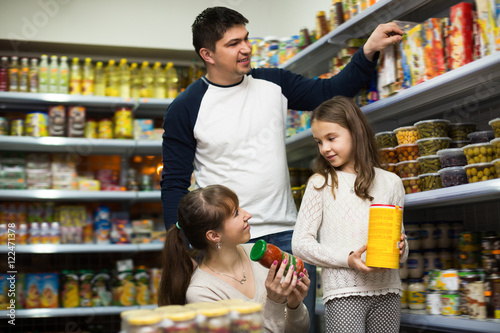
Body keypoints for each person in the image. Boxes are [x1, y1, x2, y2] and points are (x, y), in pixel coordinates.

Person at [160, 6, 404, 331]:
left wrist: (368, 49)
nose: (246, 48)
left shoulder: (273, 83)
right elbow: (174, 184)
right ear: (208, 54)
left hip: (289, 237)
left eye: (246, 39)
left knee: (296, 326)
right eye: (233, 44)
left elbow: (331, 92)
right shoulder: (186, 106)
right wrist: (189, 246)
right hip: (232, 244)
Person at [291, 96, 409, 333]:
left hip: (388, 290)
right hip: (343, 294)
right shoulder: (320, 184)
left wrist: (402, 248)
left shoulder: (391, 183)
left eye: (331, 138)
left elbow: (402, 251)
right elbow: (300, 244)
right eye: (319, 142)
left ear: (356, 132)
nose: (325, 148)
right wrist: (348, 259)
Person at [158, 184, 311, 332]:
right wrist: (275, 302)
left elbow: (301, 330)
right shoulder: (201, 292)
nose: (248, 215)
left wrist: (294, 305)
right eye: (236, 213)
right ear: (214, 235)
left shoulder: (259, 256)